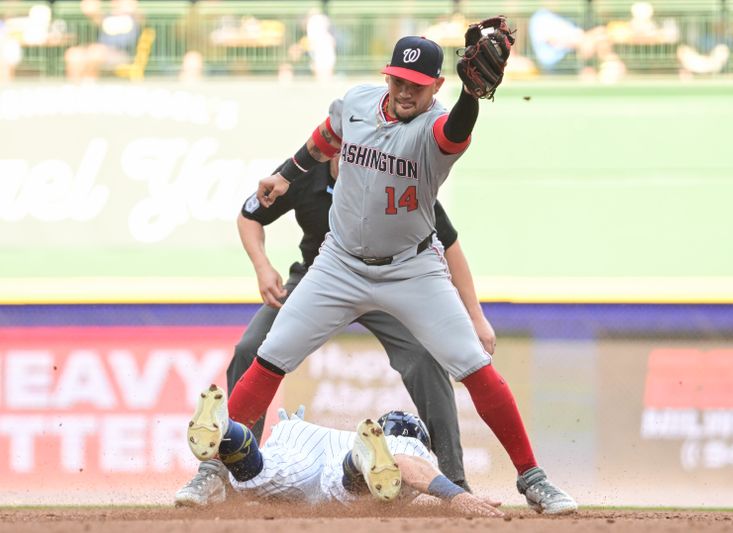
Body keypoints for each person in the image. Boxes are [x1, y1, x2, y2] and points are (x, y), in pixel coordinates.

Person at [199, 32, 578, 514]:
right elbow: (322, 140)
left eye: (417, 85)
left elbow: (456, 130)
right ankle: (214, 464)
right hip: (337, 263)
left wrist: (471, 96)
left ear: (435, 87)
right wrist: (285, 176)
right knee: (270, 356)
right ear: (388, 75)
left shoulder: (434, 128)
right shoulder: (357, 102)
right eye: (399, 79)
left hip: (411, 269)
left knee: (473, 366)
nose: (405, 91)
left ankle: (533, 478)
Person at [175, 157, 492, 506]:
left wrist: (475, 317)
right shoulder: (304, 171)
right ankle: (220, 469)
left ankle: (455, 482)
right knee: (252, 347)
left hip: (387, 285)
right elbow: (250, 215)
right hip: (319, 281)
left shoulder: (398, 176)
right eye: (339, 138)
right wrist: (263, 267)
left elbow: (448, 244)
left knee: (424, 358)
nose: (350, 145)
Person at [186, 385, 503, 516]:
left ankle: (227, 430)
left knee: (256, 472)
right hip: (353, 455)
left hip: (301, 436)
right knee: (354, 484)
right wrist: (459, 496)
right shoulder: (409, 443)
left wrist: (289, 433)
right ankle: (360, 461)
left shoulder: (312, 433)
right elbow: (407, 462)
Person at [64, 0, 141, 82]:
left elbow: (139, 15)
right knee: (73, 54)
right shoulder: (106, 17)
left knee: (96, 52)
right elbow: (91, 11)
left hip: (122, 55)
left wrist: (129, 8)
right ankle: (74, 85)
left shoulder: (134, 17)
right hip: (100, 50)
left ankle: (89, 82)